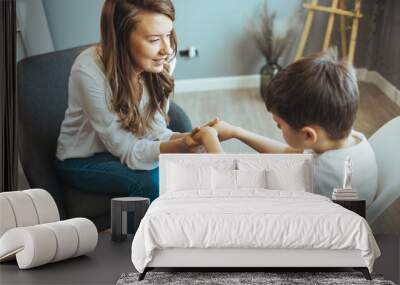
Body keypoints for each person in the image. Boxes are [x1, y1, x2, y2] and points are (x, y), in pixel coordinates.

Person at [55, 0, 208, 202]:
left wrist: (190, 140)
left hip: (125, 139)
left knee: (183, 136)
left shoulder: (162, 61)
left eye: (169, 35)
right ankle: (129, 233)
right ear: (121, 39)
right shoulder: (88, 72)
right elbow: (126, 149)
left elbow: (154, 130)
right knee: (150, 181)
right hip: (82, 159)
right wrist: (179, 146)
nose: (168, 49)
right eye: (154, 40)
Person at [193, 50, 378, 206]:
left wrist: (210, 141)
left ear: (308, 134)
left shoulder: (318, 177)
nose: (278, 128)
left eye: (279, 125)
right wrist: (237, 132)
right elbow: (291, 154)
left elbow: (234, 188)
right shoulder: (353, 139)